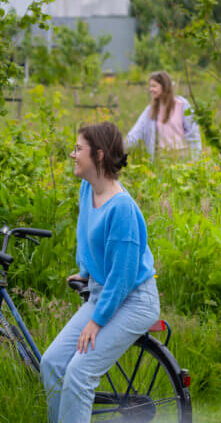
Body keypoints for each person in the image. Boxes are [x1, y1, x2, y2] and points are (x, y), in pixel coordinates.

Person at [40, 122, 160, 423]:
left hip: (133, 301)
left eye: (79, 149)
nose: (72, 154)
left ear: (99, 155)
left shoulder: (122, 208)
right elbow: (90, 241)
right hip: (103, 293)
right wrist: (86, 273)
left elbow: (122, 277)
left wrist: (96, 322)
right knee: (53, 362)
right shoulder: (87, 189)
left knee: (80, 373)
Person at [125, 70, 202, 157]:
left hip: (183, 158)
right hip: (162, 159)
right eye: (150, 86)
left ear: (165, 87)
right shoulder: (150, 110)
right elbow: (135, 134)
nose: (151, 90)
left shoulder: (182, 105)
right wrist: (118, 148)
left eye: (154, 86)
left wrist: (196, 160)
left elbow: (193, 135)